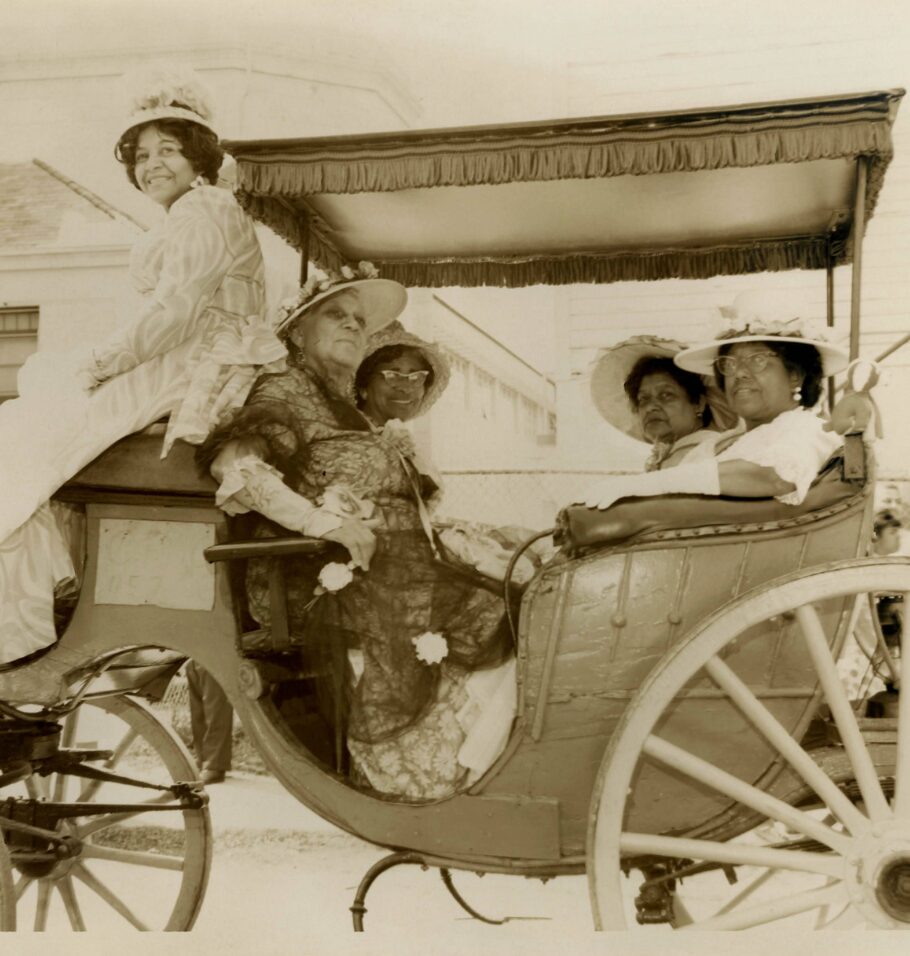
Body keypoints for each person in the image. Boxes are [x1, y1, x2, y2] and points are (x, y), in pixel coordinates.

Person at [0, 65, 285, 682]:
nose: (152, 165)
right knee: (32, 419)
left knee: (26, 437)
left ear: (198, 155)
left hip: (191, 364)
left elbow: (174, 314)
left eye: (168, 150)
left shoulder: (205, 210)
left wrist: (101, 363)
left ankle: (22, 627)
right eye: (142, 155)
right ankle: (33, 608)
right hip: (186, 356)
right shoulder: (197, 210)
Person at [200, 269, 516, 799]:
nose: (352, 325)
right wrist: (326, 523)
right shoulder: (283, 389)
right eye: (335, 315)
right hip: (316, 575)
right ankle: (425, 770)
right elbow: (237, 468)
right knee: (495, 605)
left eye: (358, 320)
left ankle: (483, 756)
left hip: (390, 566)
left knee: (517, 581)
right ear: (297, 333)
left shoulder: (339, 401)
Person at [576, 291, 849, 511]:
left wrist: (645, 485)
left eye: (757, 360)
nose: (739, 373)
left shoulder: (808, 429)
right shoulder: (722, 444)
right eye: (729, 364)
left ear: (795, 374)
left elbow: (775, 476)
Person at [590, 335, 739, 471]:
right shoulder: (674, 455)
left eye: (666, 395)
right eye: (643, 399)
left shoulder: (708, 453)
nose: (650, 407)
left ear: (698, 403)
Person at [185, 661, 234, 785]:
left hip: (218, 656)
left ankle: (215, 765)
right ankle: (202, 760)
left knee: (216, 711)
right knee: (198, 714)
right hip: (195, 657)